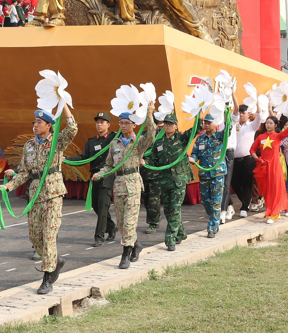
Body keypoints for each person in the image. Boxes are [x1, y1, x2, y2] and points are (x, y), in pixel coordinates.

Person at [0, 105, 77, 294]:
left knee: (48, 236)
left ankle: (47, 276)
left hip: (53, 194)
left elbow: (72, 129)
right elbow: (24, 173)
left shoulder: (56, 141)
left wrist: (64, 105)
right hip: (35, 195)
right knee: (34, 236)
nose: (35, 125)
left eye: (39, 122)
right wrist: (7, 187)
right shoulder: (29, 146)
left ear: (49, 125)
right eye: (34, 122)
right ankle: (54, 261)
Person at [94, 104, 159, 269]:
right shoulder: (114, 143)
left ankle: (125, 255)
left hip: (133, 184)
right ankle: (135, 245)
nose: (122, 126)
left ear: (134, 125)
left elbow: (152, 134)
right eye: (121, 122)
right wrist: (100, 173)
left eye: (126, 123)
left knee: (130, 222)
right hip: (119, 185)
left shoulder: (139, 142)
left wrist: (149, 115)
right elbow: (109, 165)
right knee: (122, 224)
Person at [65, 111, 116, 246]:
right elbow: (83, 157)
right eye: (97, 122)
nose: (99, 125)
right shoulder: (91, 141)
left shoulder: (113, 138)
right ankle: (112, 227)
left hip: (107, 175)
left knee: (103, 206)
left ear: (108, 124)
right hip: (94, 177)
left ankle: (99, 237)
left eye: (102, 122)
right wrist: (66, 160)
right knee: (96, 206)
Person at [145, 113, 193, 249]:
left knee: (175, 209)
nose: (168, 126)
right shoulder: (159, 142)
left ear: (176, 126)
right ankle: (181, 232)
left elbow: (195, 130)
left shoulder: (181, 138)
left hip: (179, 180)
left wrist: (199, 114)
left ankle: (170, 239)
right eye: (166, 123)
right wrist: (144, 161)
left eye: (171, 123)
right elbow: (153, 159)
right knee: (168, 210)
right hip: (165, 181)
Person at [250, 115, 288, 223]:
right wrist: (258, 160)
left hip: (275, 167)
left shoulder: (277, 136)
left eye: (270, 123)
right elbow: (252, 150)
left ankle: (274, 213)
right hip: (264, 167)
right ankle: (270, 211)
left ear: (275, 125)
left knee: (275, 189)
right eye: (267, 123)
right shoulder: (261, 137)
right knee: (267, 191)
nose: (268, 125)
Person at [190, 113, 227, 237]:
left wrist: (227, 116)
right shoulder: (200, 139)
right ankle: (214, 218)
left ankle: (212, 227)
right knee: (206, 202)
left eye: (209, 122)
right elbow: (195, 153)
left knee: (216, 201)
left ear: (215, 123)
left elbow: (229, 128)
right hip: (204, 174)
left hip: (217, 173)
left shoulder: (220, 136)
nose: (206, 124)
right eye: (205, 122)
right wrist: (193, 159)